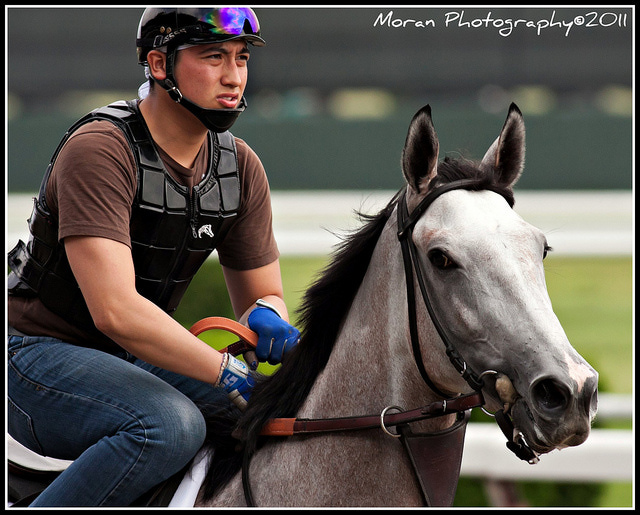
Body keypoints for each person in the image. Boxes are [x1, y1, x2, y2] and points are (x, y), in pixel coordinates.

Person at [7, 7, 300, 506]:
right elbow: (116, 311)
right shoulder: (100, 149)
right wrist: (226, 372)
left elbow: (261, 295)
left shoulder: (241, 167)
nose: (233, 77)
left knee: (279, 416)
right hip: (30, 356)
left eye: (241, 58)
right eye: (213, 57)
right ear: (160, 65)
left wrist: (269, 313)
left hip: (126, 359)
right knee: (168, 426)